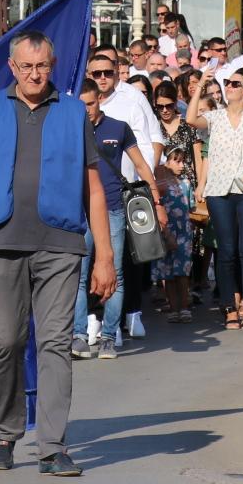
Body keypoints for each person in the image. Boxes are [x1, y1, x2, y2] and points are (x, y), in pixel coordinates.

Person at [0, 31, 113, 477]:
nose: (35, 74)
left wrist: (105, 256)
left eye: (42, 66)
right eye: (26, 67)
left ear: (52, 65)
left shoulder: (74, 111)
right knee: (7, 341)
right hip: (3, 242)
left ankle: (53, 446)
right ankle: (5, 432)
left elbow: (93, 188)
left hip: (61, 243)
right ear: (12, 68)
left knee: (54, 342)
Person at [187, 63, 243, 333]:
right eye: (227, 83)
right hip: (218, 191)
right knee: (226, 252)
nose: (229, 87)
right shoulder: (214, 117)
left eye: (235, 84)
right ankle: (229, 308)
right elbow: (192, 119)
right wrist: (202, 86)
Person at [75, 80, 152, 359]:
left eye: (91, 103)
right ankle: (79, 335)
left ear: (100, 101)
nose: (87, 110)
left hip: (113, 209)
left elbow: (141, 164)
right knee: (79, 276)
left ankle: (108, 336)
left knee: (115, 274)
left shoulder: (118, 127)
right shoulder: (71, 129)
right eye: (81, 105)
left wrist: (155, 198)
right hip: (80, 212)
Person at [150, 81, 198, 322]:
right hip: (166, 225)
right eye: (160, 107)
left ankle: (185, 304)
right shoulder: (160, 185)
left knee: (183, 271)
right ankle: (173, 305)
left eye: (169, 105)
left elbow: (198, 156)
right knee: (167, 271)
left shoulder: (187, 183)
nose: (165, 110)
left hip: (183, 230)